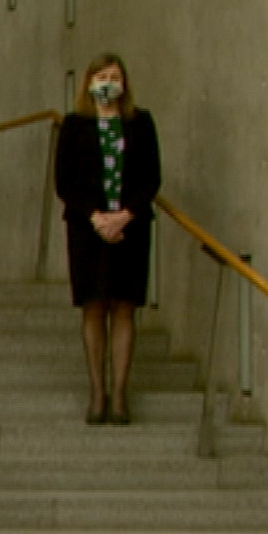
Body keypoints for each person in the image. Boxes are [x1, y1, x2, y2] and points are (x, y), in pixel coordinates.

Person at [54, 53, 162, 425]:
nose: (108, 82)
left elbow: (151, 177)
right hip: (88, 228)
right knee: (94, 305)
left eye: (115, 76)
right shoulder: (74, 125)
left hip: (131, 226)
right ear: (88, 82)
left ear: (125, 83)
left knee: (124, 306)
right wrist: (96, 217)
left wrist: (125, 215)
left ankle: (119, 393)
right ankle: (97, 391)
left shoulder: (140, 123)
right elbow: (64, 181)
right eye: (101, 76)